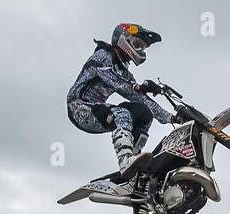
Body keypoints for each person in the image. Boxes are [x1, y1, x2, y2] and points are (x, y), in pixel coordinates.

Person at [66, 22, 176, 197]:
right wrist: (139, 87)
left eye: (142, 47)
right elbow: (120, 84)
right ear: (123, 40)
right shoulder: (103, 56)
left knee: (143, 113)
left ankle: (134, 163)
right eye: (138, 44)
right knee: (122, 113)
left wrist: (170, 117)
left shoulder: (123, 70)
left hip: (97, 108)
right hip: (79, 106)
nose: (140, 50)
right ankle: (125, 161)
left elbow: (138, 97)